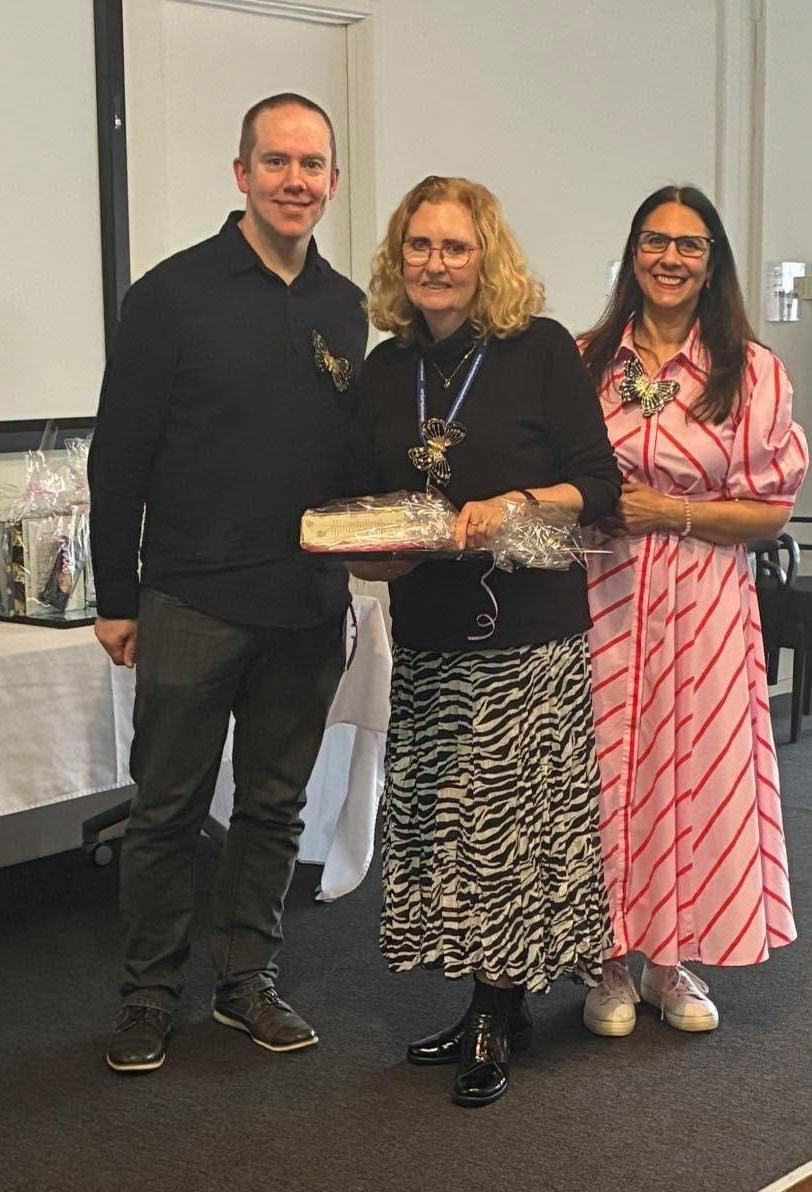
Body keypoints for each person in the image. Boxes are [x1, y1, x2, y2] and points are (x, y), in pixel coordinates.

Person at [89, 93, 367, 1073]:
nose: (295, 180)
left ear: (332, 181)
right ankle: (147, 995)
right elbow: (119, 457)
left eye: (311, 164)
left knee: (273, 807)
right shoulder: (168, 296)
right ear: (241, 173)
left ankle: (246, 981)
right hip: (190, 600)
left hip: (306, 606)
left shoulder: (346, 307)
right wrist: (114, 596)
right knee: (166, 810)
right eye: (276, 161)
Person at [351, 175, 621, 1106]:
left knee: (508, 832)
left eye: (455, 247)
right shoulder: (386, 368)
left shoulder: (538, 349)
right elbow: (373, 495)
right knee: (449, 828)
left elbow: (599, 484)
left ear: (486, 256)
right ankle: (485, 1004)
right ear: (399, 257)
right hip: (430, 632)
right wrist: (374, 550)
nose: (436, 263)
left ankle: (498, 1016)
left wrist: (514, 503)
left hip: (529, 635)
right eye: (420, 246)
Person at [579, 185, 808, 1038]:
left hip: (705, 605)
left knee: (693, 776)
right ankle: (607, 962)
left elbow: (771, 512)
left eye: (689, 244)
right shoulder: (586, 360)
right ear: (633, 252)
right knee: (606, 775)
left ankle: (671, 961)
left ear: (713, 264)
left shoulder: (750, 371)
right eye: (654, 240)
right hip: (602, 598)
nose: (669, 258)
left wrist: (670, 511)